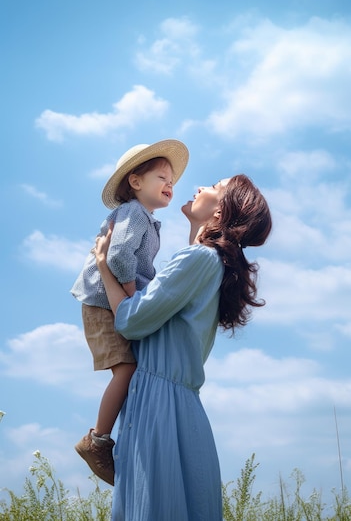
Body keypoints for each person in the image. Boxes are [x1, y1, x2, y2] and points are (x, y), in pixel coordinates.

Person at [93, 173, 272, 520]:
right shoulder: (211, 263)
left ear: (219, 213)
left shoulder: (199, 260)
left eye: (214, 188)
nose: (201, 188)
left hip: (157, 403)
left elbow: (131, 320)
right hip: (180, 404)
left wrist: (103, 266)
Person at [70, 139, 189, 486]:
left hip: (112, 298)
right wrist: (135, 299)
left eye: (172, 181)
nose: (170, 185)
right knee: (126, 370)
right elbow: (119, 257)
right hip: (101, 302)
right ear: (135, 182)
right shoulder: (134, 213)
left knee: (132, 371)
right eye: (162, 177)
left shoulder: (148, 221)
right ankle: (97, 441)